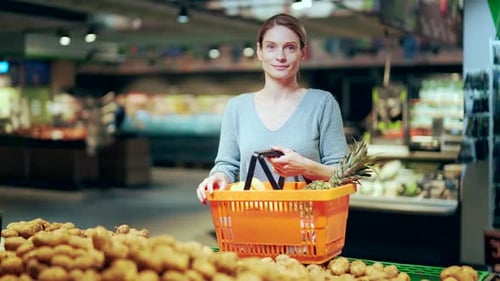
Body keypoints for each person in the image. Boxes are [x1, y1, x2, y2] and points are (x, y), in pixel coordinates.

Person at [196, 13, 348, 203]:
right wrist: (218, 177)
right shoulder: (237, 108)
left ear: (303, 52)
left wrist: (305, 167)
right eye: (271, 47)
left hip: (308, 224)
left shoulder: (322, 104)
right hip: (250, 221)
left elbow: (344, 173)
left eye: (290, 48)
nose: (280, 56)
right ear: (259, 51)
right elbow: (227, 165)